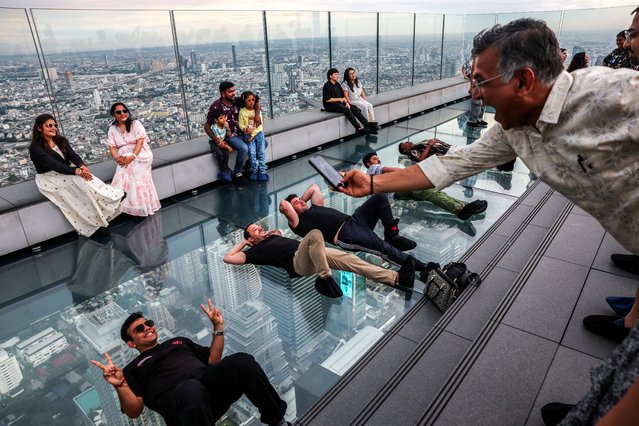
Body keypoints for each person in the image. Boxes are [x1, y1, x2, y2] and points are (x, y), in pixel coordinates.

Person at [338, 18, 639, 344]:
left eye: (480, 80)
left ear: (523, 80)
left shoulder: (618, 97)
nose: (472, 91)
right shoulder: (514, 128)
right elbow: (452, 166)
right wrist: (371, 185)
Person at [90, 299, 288, 426]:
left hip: (207, 385)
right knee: (190, 389)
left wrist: (218, 327)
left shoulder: (179, 341)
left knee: (243, 361)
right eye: (139, 329)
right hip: (179, 404)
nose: (147, 328)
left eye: (148, 323)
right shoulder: (132, 369)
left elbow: (213, 360)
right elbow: (134, 411)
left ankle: (277, 421)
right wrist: (121, 385)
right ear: (131, 343)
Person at [279, 184, 439, 274]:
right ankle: (422, 267)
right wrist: (293, 205)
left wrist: (301, 201)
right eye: (296, 203)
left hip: (355, 220)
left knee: (380, 196)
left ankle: (392, 233)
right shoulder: (297, 224)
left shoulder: (315, 206)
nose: (300, 202)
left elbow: (314, 187)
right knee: (384, 249)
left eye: (300, 200)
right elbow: (284, 205)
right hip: (346, 234)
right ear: (289, 212)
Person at [223, 224, 416, 295]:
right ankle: (325, 277)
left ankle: (397, 278)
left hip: (311, 256)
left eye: (258, 226)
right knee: (315, 233)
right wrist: (244, 243)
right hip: (298, 264)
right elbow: (228, 258)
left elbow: (279, 234)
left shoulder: (271, 236)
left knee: (351, 260)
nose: (259, 228)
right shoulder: (253, 252)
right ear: (250, 238)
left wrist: (271, 234)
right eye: (254, 230)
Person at [29, 114, 124, 237]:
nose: (54, 128)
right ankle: (92, 226)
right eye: (49, 125)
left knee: (84, 177)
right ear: (39, 128)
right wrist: (76, 171)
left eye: (55, 125)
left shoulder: (60, 140)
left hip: (65, 171)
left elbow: (73, 155)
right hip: (49, 176)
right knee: (75, 186)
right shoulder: (35, 148)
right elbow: (53, 165)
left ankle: (109, 200)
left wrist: (81, 165)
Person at [362, 152, 487, 221]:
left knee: (433, 193)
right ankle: (459, 210)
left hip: (396, 193)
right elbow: (392, 170)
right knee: (430, 193)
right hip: (401, 184)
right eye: (375, 159)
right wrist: (411, 174)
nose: (378, 161)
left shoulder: (369, 178)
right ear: (368, 163)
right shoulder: (374, 168)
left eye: (378, 159)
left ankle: (465, 206)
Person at [107, 102, 160, 217]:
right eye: (118, 112)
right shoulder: (112, 129)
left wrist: (132, 156)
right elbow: (111, 147)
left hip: (141, 154)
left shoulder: (135, 124)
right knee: (125, 170)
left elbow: (140, 142)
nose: (122, 114)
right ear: (113, 114)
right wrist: (117, 158)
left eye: (124, 111)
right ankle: (134, 207)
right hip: (124, 156)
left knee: (130, 170)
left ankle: (128, 206)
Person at [205, 81, 260, 183]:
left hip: (242, 132)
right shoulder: (216, 106)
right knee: (243, 148)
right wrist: (218, 141)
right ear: (222, 93)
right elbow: (207, 126)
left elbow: (256, 101)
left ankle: (247, 166)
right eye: (230, 92)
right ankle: (237, 173)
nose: (233, 93)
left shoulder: (237, 101)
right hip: (228, 136)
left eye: (234, 90)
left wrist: (257, 114)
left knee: (263, 142)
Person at [322, 68, 373, 135]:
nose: (337, 76)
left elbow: (343, 96)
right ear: (330, 76)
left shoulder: (337, 84)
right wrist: (340, 100)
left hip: (338, 103)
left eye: (338, 74)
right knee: (346, 110)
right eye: (335, 74)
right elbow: (327, 99)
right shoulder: (327, 85)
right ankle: (358, 128)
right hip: (330, 105)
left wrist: (346, 103)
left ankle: (366, 123)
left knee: (354, 107)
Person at [239, 91, 268, 182]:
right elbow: (240, 124)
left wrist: (252, 134)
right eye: (249, 100)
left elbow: (259, 124)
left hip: (258, 134)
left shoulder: (257, 111)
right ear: (244, 101)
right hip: (248, 135)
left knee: (261, 152)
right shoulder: (242, 112)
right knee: (252, 153)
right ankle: (254, 170)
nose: (251, 102)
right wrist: (245, 129)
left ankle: (262, 171)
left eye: (253, 100)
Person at [342, 67, 378, 133]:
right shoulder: (345, 83)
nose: (353, 75)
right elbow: (346, 95)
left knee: (369, 105)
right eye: (351, 74)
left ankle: (370, 123)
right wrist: (349, 103)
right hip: (352, 100)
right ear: (347, 76)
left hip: (359, 99)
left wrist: (365, 101)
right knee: (364, 106)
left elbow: (362, 93)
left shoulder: (358, 82)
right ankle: (366, 124)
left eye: (354, 73)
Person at [208, 110, 234, 182]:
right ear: (216, 120)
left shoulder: (225, 125)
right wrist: (228, 147)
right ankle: (224, 170)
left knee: (226, 153)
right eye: (221, 118)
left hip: (222, 141)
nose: (224, 119)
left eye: (224, 117)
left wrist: (228, 128)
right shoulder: (214, 128)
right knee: (220, 154)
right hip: (214, 142)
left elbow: (229, 135)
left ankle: (225, 169)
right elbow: (218, 141)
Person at [461, 57, 488, 128]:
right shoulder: (473, 61)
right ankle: (473, 120)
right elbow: (466, 69)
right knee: (477, 101)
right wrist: (471, 85)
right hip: (476, 78)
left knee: (483, 101)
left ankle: (478, 119)